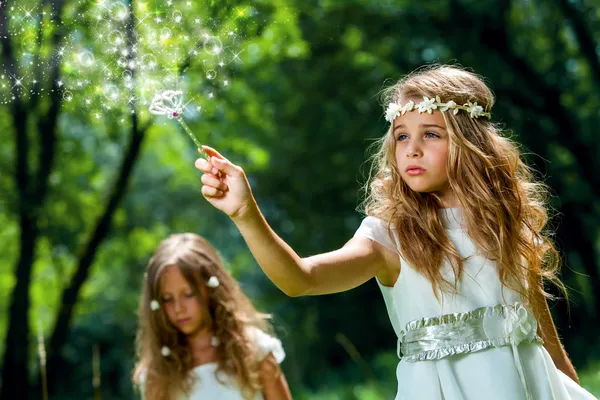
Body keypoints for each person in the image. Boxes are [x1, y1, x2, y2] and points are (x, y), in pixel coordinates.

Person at [194, 65, 597, 399]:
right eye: (402, 136)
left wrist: (571, 383)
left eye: (431, 135)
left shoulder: (507, 225)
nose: (412, 149)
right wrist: (246, 214)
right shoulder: (388, 237)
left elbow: (543, 335)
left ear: (470, 143)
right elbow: (301, 279)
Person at [132, 233, 292, 400]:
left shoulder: (254, 350)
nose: (178, 308)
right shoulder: (158, 374)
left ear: (210, 288)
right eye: (167, 299)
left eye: (188, 294)